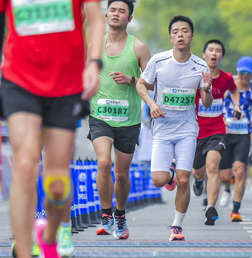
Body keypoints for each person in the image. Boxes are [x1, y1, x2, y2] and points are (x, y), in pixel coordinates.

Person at [0, 0, 105, 256]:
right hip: (19, 80)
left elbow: (95, 19)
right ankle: (24, 252)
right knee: (25, 163)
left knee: (57, 183)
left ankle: (48, 236)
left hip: (65, 86)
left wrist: (93, 64)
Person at [136, 15, 212, 241]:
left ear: (192, 36)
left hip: (187, 129)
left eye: (185, 31)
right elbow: (141, 84)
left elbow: (206, 103)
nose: (180, 35)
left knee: (183, 178)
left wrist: (206, 90)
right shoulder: (158, 61)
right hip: (162, 129)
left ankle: (177, 226)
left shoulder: (200, 65)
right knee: (159, 180)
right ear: (171, 37)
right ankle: (167, 173)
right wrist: (151, 105)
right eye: (176, 31)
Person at [88, 0, 150, 240]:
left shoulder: (139, 48)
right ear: (106, 15)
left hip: (128, 119)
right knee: (103, 163)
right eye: (112, 10)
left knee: (122, 174)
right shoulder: (94, 44)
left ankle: (120, 214)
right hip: (99, 116)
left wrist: (132, 80)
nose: (116, 14)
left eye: (122, 11)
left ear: (129, 18)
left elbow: (152, 82)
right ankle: (105, 214)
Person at [191, 39, 240, 225]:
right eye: (211, 50)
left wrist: (236, 105)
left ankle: (211, 207)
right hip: (196, 130)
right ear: (204, 54)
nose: (214, 53)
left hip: (217, 130)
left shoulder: (226, 78)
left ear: (221, 56)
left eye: (218, 51)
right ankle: (197, 181)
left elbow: (234, 91)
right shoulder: (195, 75)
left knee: (213, 167)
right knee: (198, 171)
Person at [219, 56, 252, 222]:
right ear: (237, 72)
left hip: (243, 134)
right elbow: (217, 106)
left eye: (247, 73)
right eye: (241, 73)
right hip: (226, 133)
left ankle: (236, 209)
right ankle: (227, 189)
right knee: (225, 174)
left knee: (240, 171)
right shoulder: (228, 86)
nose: (244, 77)